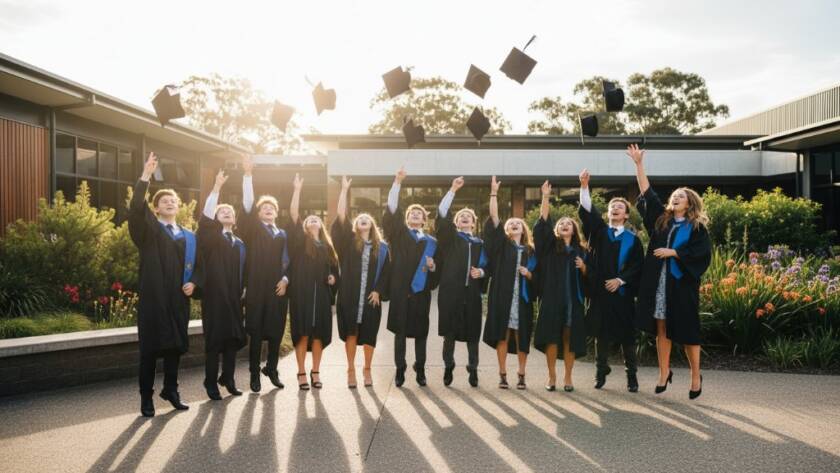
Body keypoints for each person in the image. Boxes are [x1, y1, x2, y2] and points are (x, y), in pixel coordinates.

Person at [627, 144, 712, 399]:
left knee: (687, 331)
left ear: (690, 203)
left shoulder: (697, 228)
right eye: (674, 195)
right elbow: (647, 192)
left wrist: (674, 253)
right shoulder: (661, 220)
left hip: (681, 284)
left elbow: (702, 255)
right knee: (661, 327)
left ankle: (696, 376)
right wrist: (638, 165)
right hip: (658, 284)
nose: (675, 198)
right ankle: (664, 372)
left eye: (681, 197)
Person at [129, 152, 200, 417]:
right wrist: (145, 176)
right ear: (156, 208)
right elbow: (136, 209)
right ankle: (146, 397)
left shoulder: (189, 237)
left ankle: (171, 389)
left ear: (178, 207)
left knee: (174, 348)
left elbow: (200, 268)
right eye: (164, 201)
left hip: (178, 298)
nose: (169, 203)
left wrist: (194, 284)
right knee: (149, 349)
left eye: (173, 200)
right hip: (154, 297)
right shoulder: (149, 230)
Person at [578, 169, 645, 392]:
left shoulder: (632, 240)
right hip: (600, 290)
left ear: (626, 215)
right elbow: (587, 211)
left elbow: (637, 266)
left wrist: (621, 280)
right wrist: (584, 186)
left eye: (619, 207)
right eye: (612, 207)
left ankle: (632, 377)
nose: (614, 209)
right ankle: (601, 372)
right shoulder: (598, 232)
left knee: (627, 336)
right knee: (601, 334)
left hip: (622, 293)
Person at [331, 176, 391, 388]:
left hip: (370, 297)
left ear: (372, 225)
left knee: (369, 334)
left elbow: (386, 273)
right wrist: (344, 190)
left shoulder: (382, 248)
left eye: (367, 218)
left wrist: (379, 291)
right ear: (356, 226)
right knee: (351, 332)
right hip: (349, 295)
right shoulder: (348, 243)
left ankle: (367, 369)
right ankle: (350, 369)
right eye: (360, 218)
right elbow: (340, 216)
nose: (363, 219)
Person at [382, 166, 440, 387]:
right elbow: (392, 209)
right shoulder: (399, 235)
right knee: (400, 333)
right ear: (406, 219)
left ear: (424, 220)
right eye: (411, 213)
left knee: (421, 334)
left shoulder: (432, 243)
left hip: (421, 293)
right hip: (400, 291)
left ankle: (421, 369)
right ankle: (400, 370)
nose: (415, 214)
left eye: (419, 213)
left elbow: (437, 274)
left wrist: (433, 267)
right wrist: (397, 182)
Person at [240, 155, 290, 392]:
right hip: (256, 286)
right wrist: (248, 175)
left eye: (272, 208)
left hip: (277, 287)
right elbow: (248, 205)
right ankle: (254, 374)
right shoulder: (254, 229)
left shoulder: (282, 234)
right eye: (264, 208)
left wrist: (285, 279)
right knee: (257, 333)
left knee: (276, 331)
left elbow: (288, 260)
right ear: (259, 214)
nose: (268, 210)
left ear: (276, 213)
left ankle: (271, 368)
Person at [196, 170, 248, 400]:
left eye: (230, 211)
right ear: (215, 219)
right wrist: (216, 188)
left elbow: (244, 270)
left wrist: (244, 287)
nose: (226, 213)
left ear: (235, 219)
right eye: (222, 211)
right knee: (215, 342)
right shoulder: (211, 238)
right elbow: (206, 218)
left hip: (235, 298)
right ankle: (210, 382)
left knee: (232, 341)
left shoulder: (240, 243)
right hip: (215, 297)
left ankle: (228, 378)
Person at [482, 176, 537, 390]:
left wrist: (530, 275)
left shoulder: (531, 252)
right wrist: (494, 193)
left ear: (523, 230)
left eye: (518, 223)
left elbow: (537, 277)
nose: (514, 224)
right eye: (510, 223)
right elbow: (494, 218)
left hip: (522, 299)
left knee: (521, 336)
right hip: (502, 298)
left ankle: (521, 374)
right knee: (502, 335)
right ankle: (503, 374)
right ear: (506, 230)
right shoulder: (502, 246)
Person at [533, 180, 588, 392]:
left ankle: (568, 377)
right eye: (561, 223)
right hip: (552, 299)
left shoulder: (581, 251)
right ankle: (552, 377)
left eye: (569, 223)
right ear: (557, 229)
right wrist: (545, 197)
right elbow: (542, 223)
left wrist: (584, 267)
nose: (565, 225)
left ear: (574, 230)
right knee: (551, 338)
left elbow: (590, 276)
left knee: (569, 338)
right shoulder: (549, 248)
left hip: (573, 301)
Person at [287, 173, 340, 390]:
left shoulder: (328, 247)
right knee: (303, 334)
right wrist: (297, 189)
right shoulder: (301, 241)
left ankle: (315, 372)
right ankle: (301, 373)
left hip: (322, 298)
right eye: (309, 219)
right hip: (302, 295)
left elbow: (335, 272)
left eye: (316, 219)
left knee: (318, 336)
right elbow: (293, 214)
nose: (312, 220)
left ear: (321, 224)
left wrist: (333, 278)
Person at [435, 176, 488, 388]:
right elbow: (441, 215)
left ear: (474, 223)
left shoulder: (480, 243)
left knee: (473, 334)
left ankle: (473, 369)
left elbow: (487, 265)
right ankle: (449, 366)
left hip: (472, 294)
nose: (465, 217)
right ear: (456, 223)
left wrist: (482, 272)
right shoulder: (450, 239)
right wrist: (452, 190)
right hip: (451, 293)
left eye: (468, 216)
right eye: (461, 216)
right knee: (449, 333)